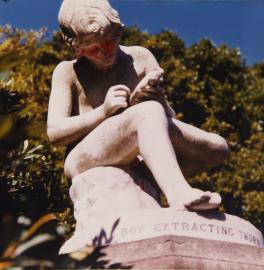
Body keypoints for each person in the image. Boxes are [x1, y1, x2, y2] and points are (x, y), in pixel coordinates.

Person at [47, 0, 229, 211]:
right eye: (95, 48)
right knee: (146, 112)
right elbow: (55, 134)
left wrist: (157, 97)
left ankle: (151, 177)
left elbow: (168, 117)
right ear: (76, 47)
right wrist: (103, 112)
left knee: (217, 147)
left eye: (110, 41)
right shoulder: (67, 71)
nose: (106, 51)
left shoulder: (140, 58)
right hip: (83, 158)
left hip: (138, 156)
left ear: (118, 32)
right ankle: (178, 193)